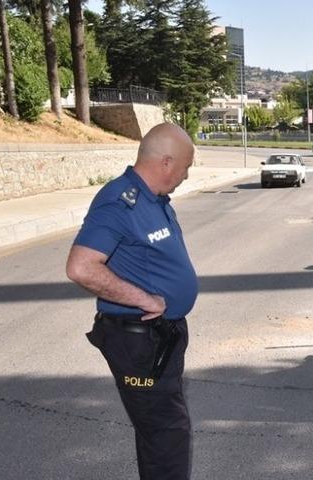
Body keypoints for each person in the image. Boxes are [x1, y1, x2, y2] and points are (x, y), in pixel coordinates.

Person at [66, 123, 197, 480]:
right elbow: (81, 267)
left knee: (161, 428)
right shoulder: (119, 201)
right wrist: (144, 299)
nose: (187, 175)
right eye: (186, 166)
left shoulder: (153, 199)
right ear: (167, 162)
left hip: (159, 339)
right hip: (139, 343)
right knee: (166, 432)